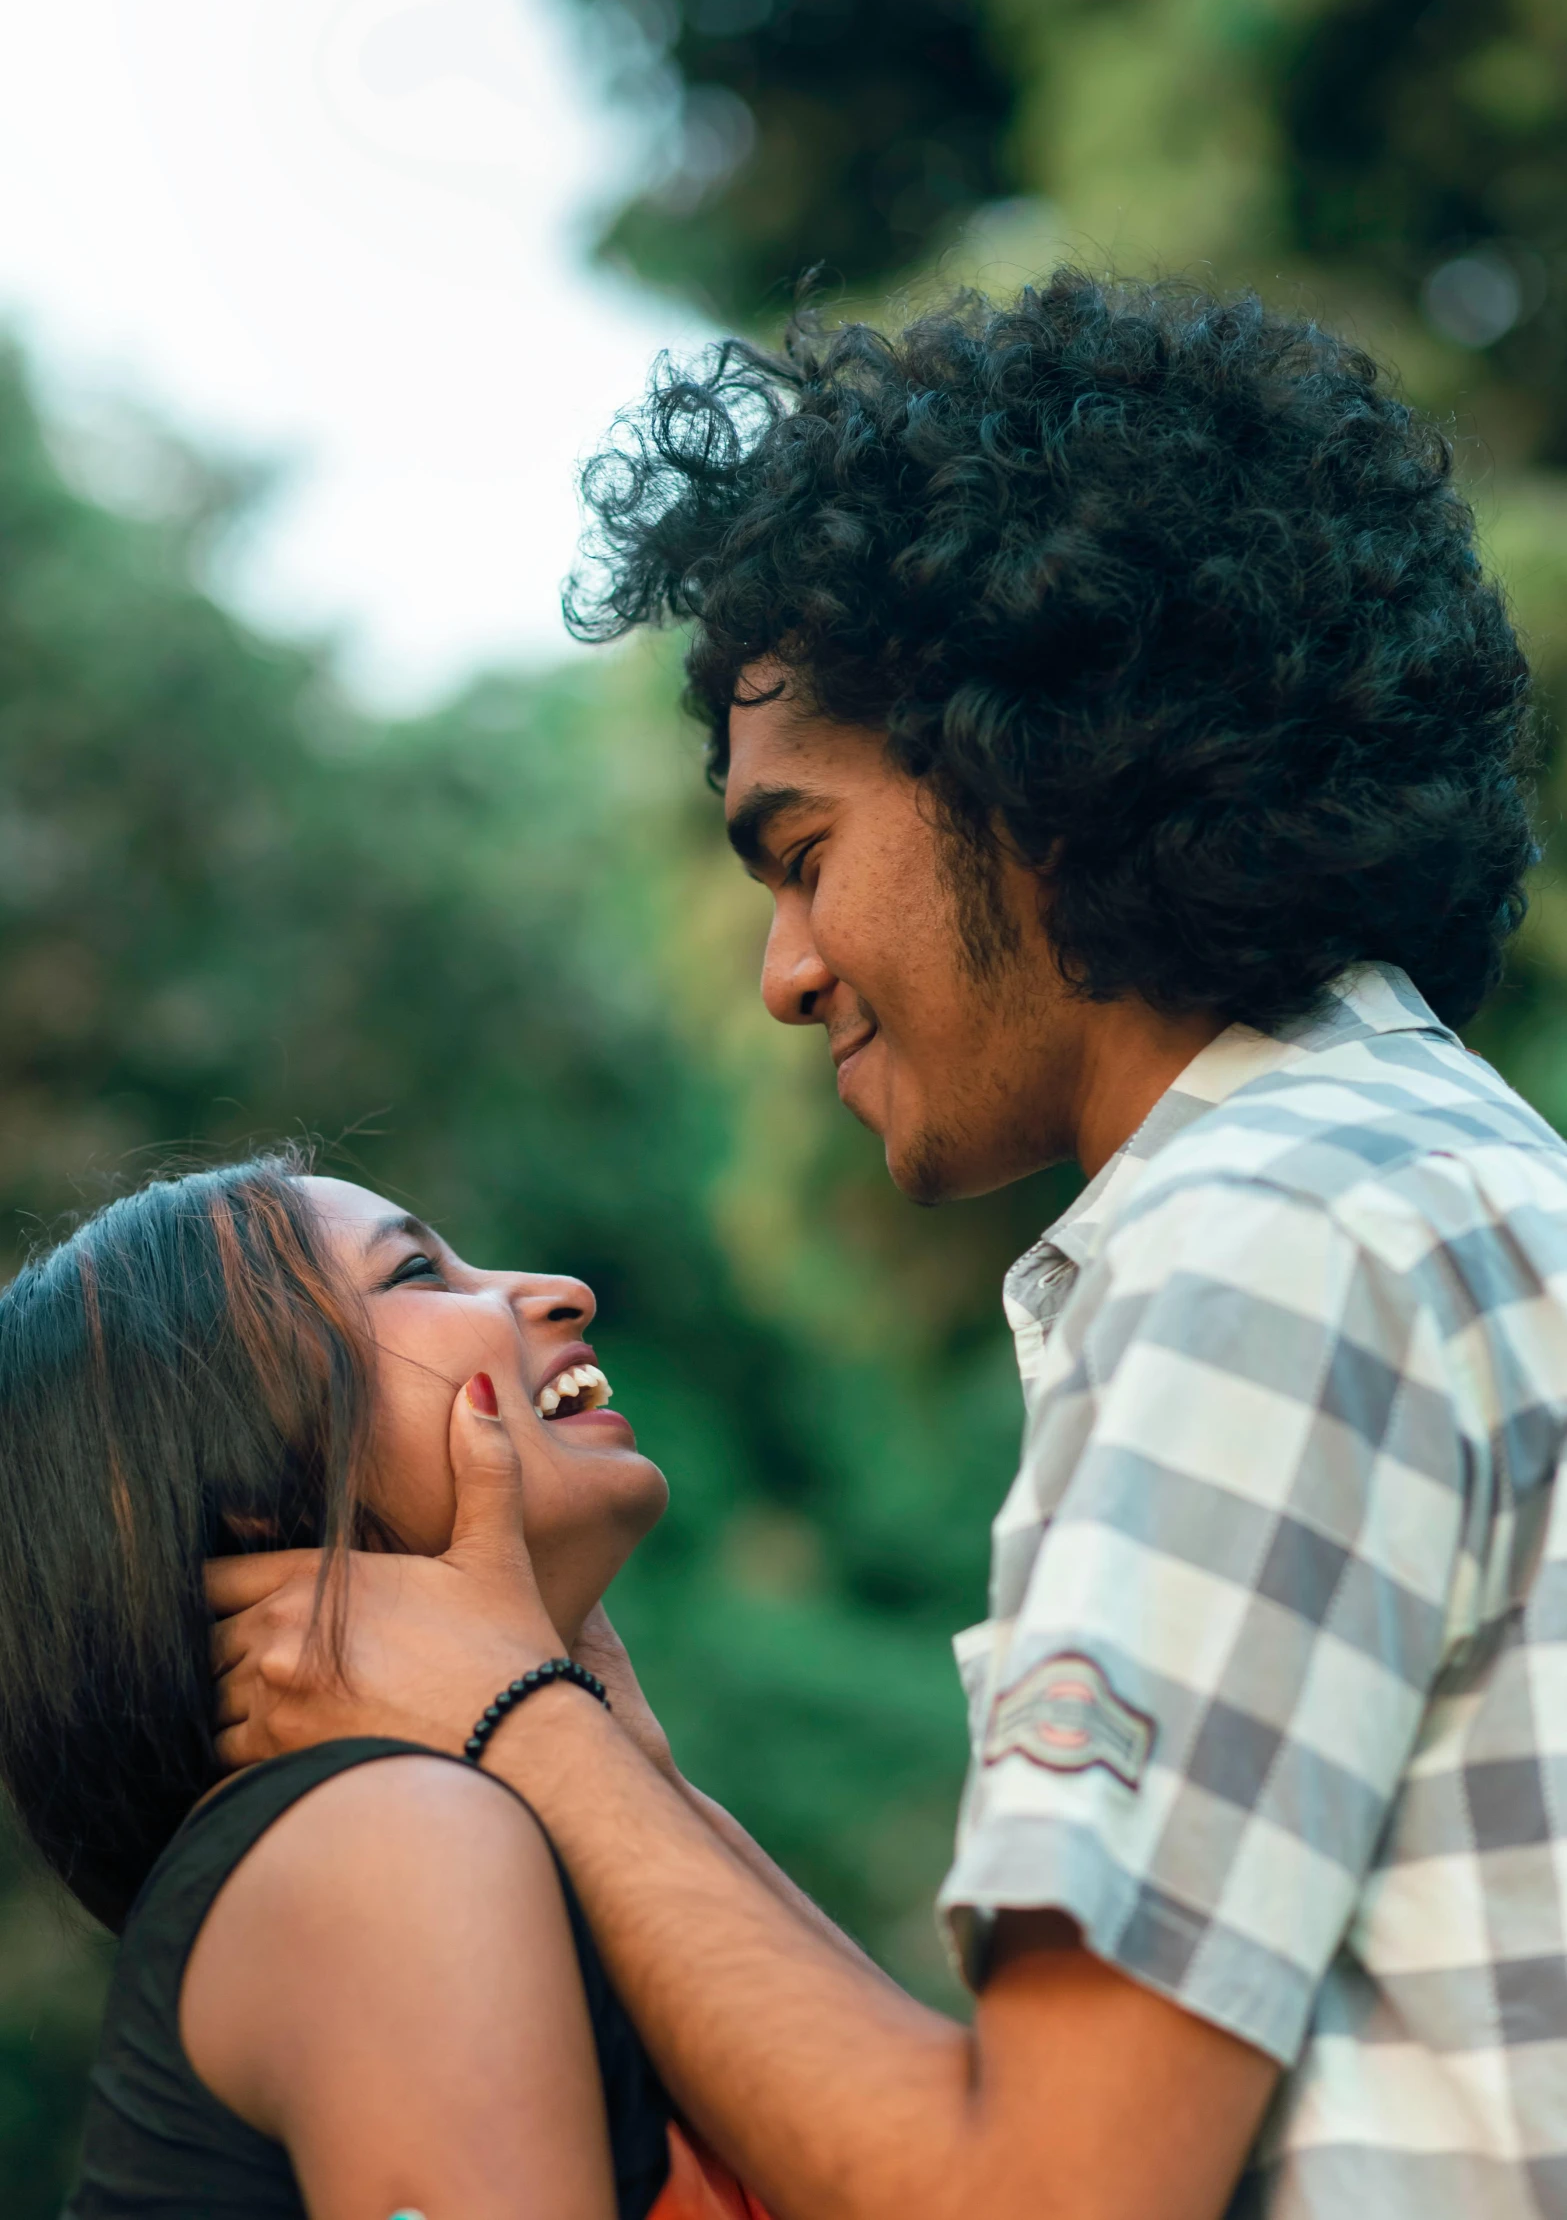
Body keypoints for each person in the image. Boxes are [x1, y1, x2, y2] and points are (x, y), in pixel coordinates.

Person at [210, 273, 1567, 2219]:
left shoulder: (1259, 1245)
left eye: (802, 853)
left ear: (1039, 765)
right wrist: (585, 1728)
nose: (784, 970)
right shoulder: (1417, 1175)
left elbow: (1038, 2194)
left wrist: (515, 1725)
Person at [0, 1152, 775, 2220]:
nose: (559, 1293)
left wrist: (610, 1746)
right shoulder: (386, 1837)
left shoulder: (452, 1821)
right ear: (247, 1483)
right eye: (417, 1274)